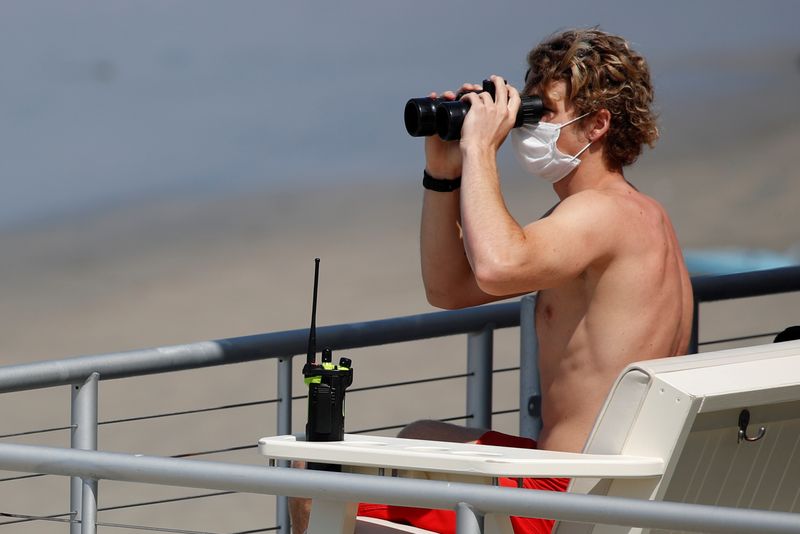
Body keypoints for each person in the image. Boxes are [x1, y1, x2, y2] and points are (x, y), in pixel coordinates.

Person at [292, 28, 693, 534]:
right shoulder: (631, 215)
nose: (528, 126)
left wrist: (481, 147)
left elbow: (498, 266)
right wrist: (444, 174)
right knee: (417, 438)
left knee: (317, 481)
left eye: (542, 111)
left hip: (569, 498)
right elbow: (449, 288)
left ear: (596, 124)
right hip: (604, 483)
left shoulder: (599, 216)